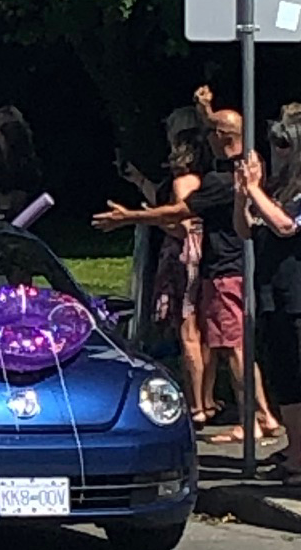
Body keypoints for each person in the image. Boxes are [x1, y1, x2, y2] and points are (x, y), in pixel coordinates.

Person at [92, 100, 286, 443]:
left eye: (210, 132)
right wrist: (205, 108)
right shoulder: (250, 165)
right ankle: (263, 416)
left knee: (235, 349)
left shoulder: (221, 180)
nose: (204, 138)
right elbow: (226, 129)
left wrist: (129, 217)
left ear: (222, 137)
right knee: (235, 347)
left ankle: (256, 418)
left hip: (226, 270)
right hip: (232, 268)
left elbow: (180, 211)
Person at [123, 112, 219, 426]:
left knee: (188, 331)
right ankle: (208, 399)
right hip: (207, 257)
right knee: (206, 334)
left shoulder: (181, 182)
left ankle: (195, 406)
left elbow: (182, 224)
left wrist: (154, 218)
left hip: (181, 257)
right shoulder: (210, 181)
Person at [238, 102, 301, 477]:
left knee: (298, 370)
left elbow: (285, 225)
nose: (278, 152)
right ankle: (296, 450)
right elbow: (246, 227)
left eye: (284, 144)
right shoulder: (277, 186)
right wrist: (242, 194)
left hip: (296, 293)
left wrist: (255, 190)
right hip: (270, 291)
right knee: (285, 376)